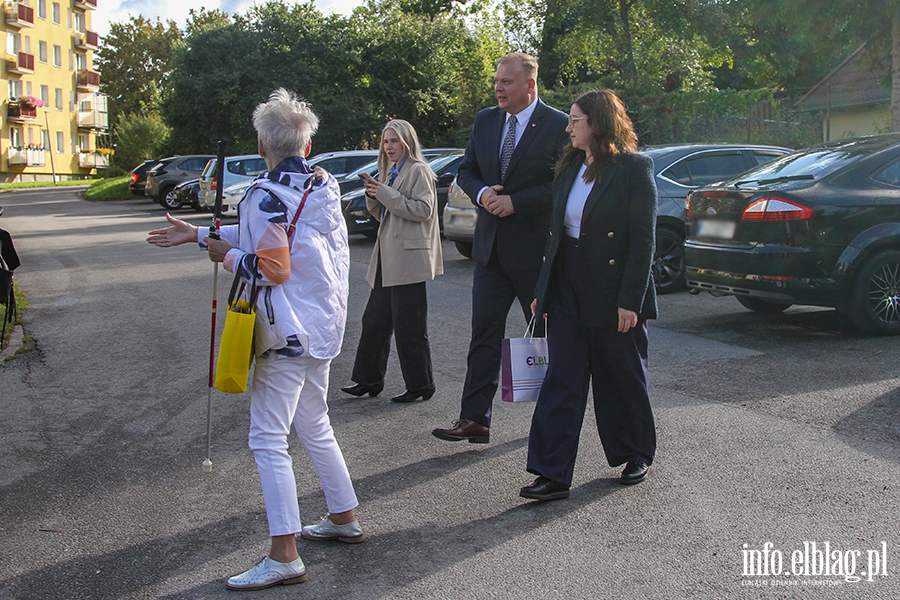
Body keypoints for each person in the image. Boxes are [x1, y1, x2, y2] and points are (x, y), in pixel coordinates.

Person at [147, 88, 363, 591]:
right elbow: (285, 246)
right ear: (306, 146)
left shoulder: (264, 194)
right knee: (314, 422)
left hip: (285, 330)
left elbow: (272, 267)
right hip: (322, 326)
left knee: (268, 439)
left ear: (262, 145)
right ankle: (343, 515)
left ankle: (284, 553)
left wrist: (222, 252)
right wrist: (201, 236)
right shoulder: (324, 185)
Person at [519, 89, 658, 502]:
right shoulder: (568, 168)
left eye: (575, 119)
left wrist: (630, 300)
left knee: (622, 375)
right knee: (562, 378)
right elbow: (555, 238)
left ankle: (635, 453)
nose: (569, 126)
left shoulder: (634, 168)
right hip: (567, 283)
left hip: (614, 288)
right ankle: (551, 473)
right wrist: (541, 293)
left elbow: (642, 241)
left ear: (597, 122)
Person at [431, 52, 569, 444]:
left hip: (536, 256)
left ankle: (552, 420)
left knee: (546, 340)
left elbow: (561, 185)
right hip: (490, 251)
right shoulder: (486, 120)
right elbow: (467, 170)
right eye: (496, 80)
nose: (498, 87)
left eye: (506, 81)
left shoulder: (559, 125)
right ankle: (474, 419)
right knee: (483, 337)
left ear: (530, 85)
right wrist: (480, 195)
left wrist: (517, 202)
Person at [340, 119, 443, 403]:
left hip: (408, 258)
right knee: (374, 321)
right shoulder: (390, 171)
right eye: (385, 142)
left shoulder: (418, 170)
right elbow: (385, 215)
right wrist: (374, 194)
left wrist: (384, 192)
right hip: (387, 257)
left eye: (394, 141)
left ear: (407, 142)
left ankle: (421, 385)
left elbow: (423, 210)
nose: (388, 147)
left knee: (410, 327)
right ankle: (368, 380)